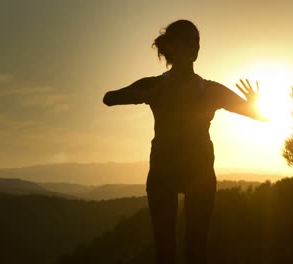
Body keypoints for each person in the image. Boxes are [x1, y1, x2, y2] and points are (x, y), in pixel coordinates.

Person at [103, 19, 267, 264]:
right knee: (165, 252)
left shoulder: (209, 90)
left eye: (197, 41)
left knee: (196, 250)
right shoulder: (156, 85)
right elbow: (109, 98)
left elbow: (259, 116)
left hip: (198, 174)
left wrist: (254, 102)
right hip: (163, 173)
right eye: (189, 40)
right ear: (172, 46)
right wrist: (143, 96)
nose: (195, 46)